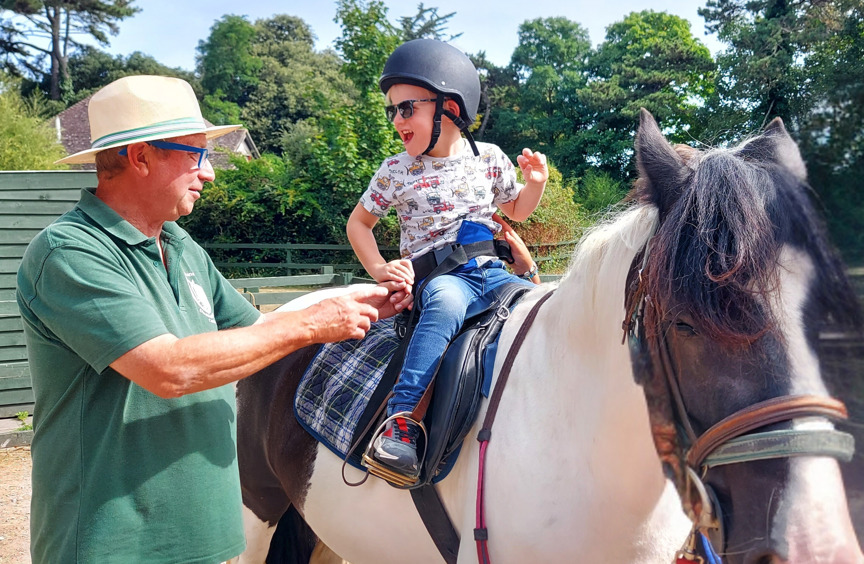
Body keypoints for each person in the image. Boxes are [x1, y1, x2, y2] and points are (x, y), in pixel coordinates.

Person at [16, 75, 409, 564]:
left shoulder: (180, 247)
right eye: (194, 154)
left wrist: (366, 304)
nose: (209, 173)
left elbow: (260, 339)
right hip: (116, 545)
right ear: (140, 157)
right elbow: (167, 368)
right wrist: (313, 324)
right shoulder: (70, 252)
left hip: (208, 539)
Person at [346, 39, 548, 475]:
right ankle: (400, 423)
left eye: (406, 108)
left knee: (538, 305)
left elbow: (514, 210)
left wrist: (535, 184)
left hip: (492, 269)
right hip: (442, 275)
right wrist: (381, 268)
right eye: (392, 111)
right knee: (444, 307)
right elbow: (358, 225)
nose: (397, 120)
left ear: (451, 110)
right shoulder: (395, 170)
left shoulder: (488, 157)